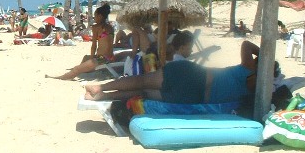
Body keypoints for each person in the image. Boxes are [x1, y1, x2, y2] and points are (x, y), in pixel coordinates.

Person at [84, 40, 261, 105]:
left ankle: (100, 87)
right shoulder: (258, 90)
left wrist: (261, 54)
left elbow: (246, 44)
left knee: (142, 81)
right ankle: (101, 97)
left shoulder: (248, 68)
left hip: (193, 76)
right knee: (143, 91)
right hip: (194, 97)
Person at [45, 3, 114, 80]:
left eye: (95, 16)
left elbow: (94, 46)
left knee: (76, 69)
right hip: (110, 57)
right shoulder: (110, 27)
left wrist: (92, 59)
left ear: (100, 16)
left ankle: (60, 77)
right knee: (85, 58)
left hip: (101, 59)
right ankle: (82, 71)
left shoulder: (96, 27)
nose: (94, 18)